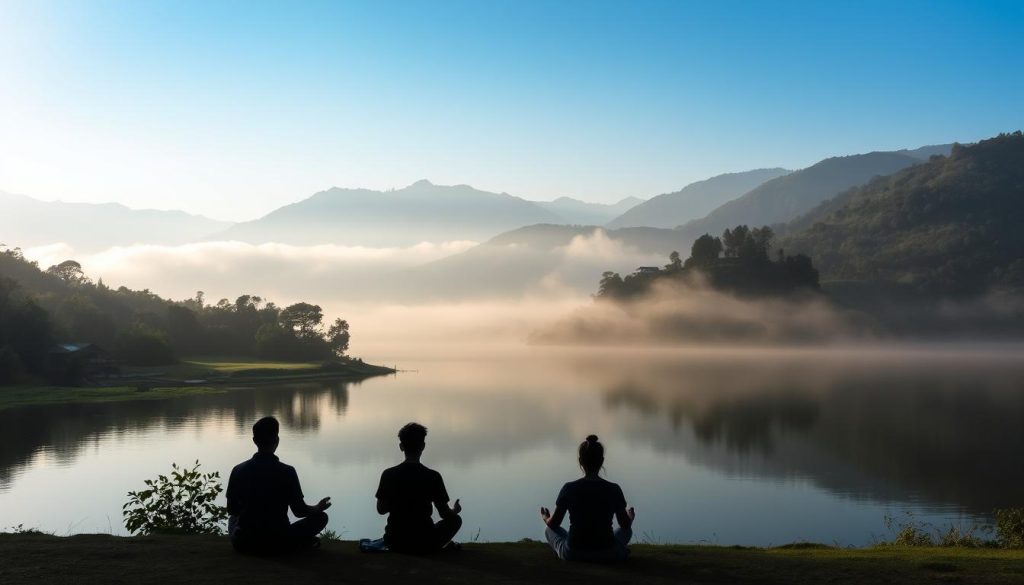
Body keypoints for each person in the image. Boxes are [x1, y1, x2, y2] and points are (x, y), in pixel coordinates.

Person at [226, 416, 332, 554]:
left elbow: (232, 510)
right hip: (279, 540)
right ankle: (297, 543)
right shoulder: (287, 471)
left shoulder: (238, 469)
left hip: (244, 542)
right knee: (321, 517)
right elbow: (299, 511)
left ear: (254, 441)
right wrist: (317, 507)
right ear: (277, 440)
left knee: (233, 519)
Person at [540, 434, 635, 562]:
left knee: (548, 530)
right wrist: (630, 517)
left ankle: (564, 551)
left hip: (573, 553)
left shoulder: (569, 488)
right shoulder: (614, 489)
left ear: (580, 461)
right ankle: (619, 552)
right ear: (601, 461)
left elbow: (553, 524)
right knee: (628, 531)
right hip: (607, 553)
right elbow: (625, 525)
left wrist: (545, 517)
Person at [374, 422, 463, 553]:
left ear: (401, 446)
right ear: (423, 446)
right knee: (455, 520)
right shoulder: (433, 476)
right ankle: (438, 548)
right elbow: (444, 514)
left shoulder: (388, 474)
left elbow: (381, 510)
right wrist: (454, 510)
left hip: (394, 540)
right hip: (425, 540)